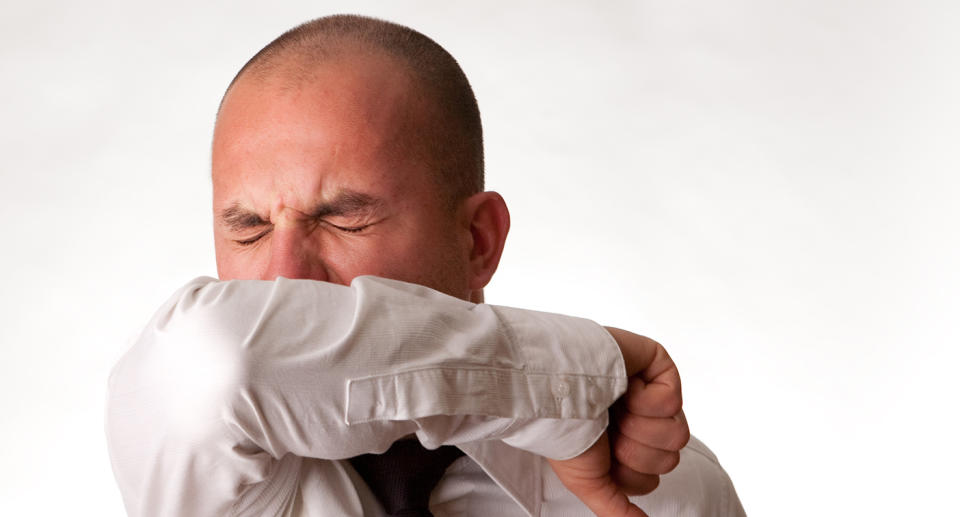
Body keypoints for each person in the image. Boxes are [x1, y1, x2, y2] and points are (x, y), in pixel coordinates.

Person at [106, 14, 744, 517]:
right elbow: (212, 359)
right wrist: (567, 387)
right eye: (248, 230)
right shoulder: (204, 468)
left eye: (342, 218)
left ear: (477, 242)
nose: (284, 279)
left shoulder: (670, 497)